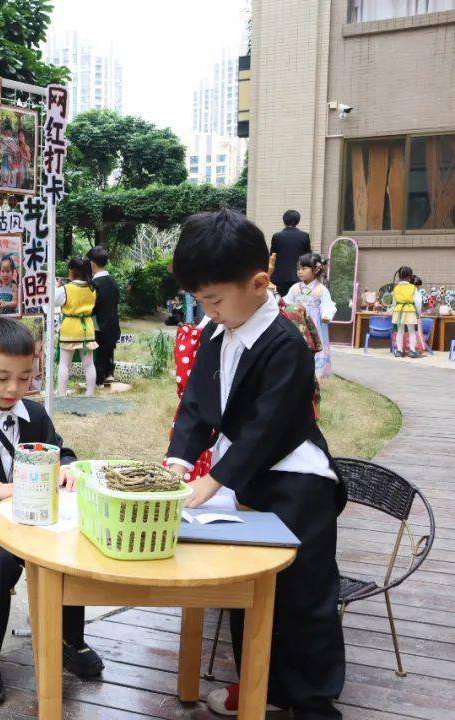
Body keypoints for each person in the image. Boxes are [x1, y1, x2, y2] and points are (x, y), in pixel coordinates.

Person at [165, 209, 346, 719]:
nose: (207, 310)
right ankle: (260, 685)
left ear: (260, 282)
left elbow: (269, 429)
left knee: (304, 595)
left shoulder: (286, 343)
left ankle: (314, 701)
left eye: (214, 299)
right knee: (249, 586)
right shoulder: (217, 333)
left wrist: (213, 480)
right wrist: (179, 460)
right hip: (246, 478)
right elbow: (197, 406)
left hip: (296, 482)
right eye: (201, 300)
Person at [0, 319, 104, 703]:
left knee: (65, 551)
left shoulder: (35, 414)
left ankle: (69, 639)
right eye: (2, 378)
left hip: (34, 517)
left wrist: (67, 467)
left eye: (25, 377)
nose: (14, 388)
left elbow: (61, 450)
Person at [285, 253, 336, 377]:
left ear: (316, 269)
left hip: (315, 324)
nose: (300, 272)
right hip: (298, 323)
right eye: (298, 269)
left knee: (316, 345)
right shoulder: (295, 288)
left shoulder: (321, 289)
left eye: (304, 268)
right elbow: (287, 302)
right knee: (298, 344)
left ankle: (317, 373)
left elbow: (327, 304)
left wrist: (326, 315)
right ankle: (296, 371)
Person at [54, 257, 98, 396]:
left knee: (64, 364)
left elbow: (53, 302)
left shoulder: (66, 289)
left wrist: (55, 288)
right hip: (88, 329)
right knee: (89, 364)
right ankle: (89, 393)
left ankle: (61, 393)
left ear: (71, 271)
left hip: (70, 329)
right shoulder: (92, 288)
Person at [86, 245, 120, 386]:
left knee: (99, 354)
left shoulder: (94, 284)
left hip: (98, 325)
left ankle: (99, 378)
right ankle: (109, 373)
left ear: (92, 264)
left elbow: (91, 307)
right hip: (112, 323)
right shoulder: (113, 282)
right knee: (108, 350)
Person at [269, 210, 312, 297]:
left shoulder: (277, 236)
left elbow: (272, 255)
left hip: (280, 277)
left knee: (281, 304)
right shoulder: (304, 236)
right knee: (297, 304)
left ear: (284, 220)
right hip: (298, 277)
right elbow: (308, 256)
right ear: (298, 221)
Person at [391, 266, 420, 359]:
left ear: (399, 276)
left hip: (398, 311)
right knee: (412, 331)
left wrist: (393, 310)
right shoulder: (413, 288)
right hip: (410, 310)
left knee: (399, 331)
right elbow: (418, 302)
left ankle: (399, 351)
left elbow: (393, 302)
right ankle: (412, 351)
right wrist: (418, 312)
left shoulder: (396, 288)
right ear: (410, 276)